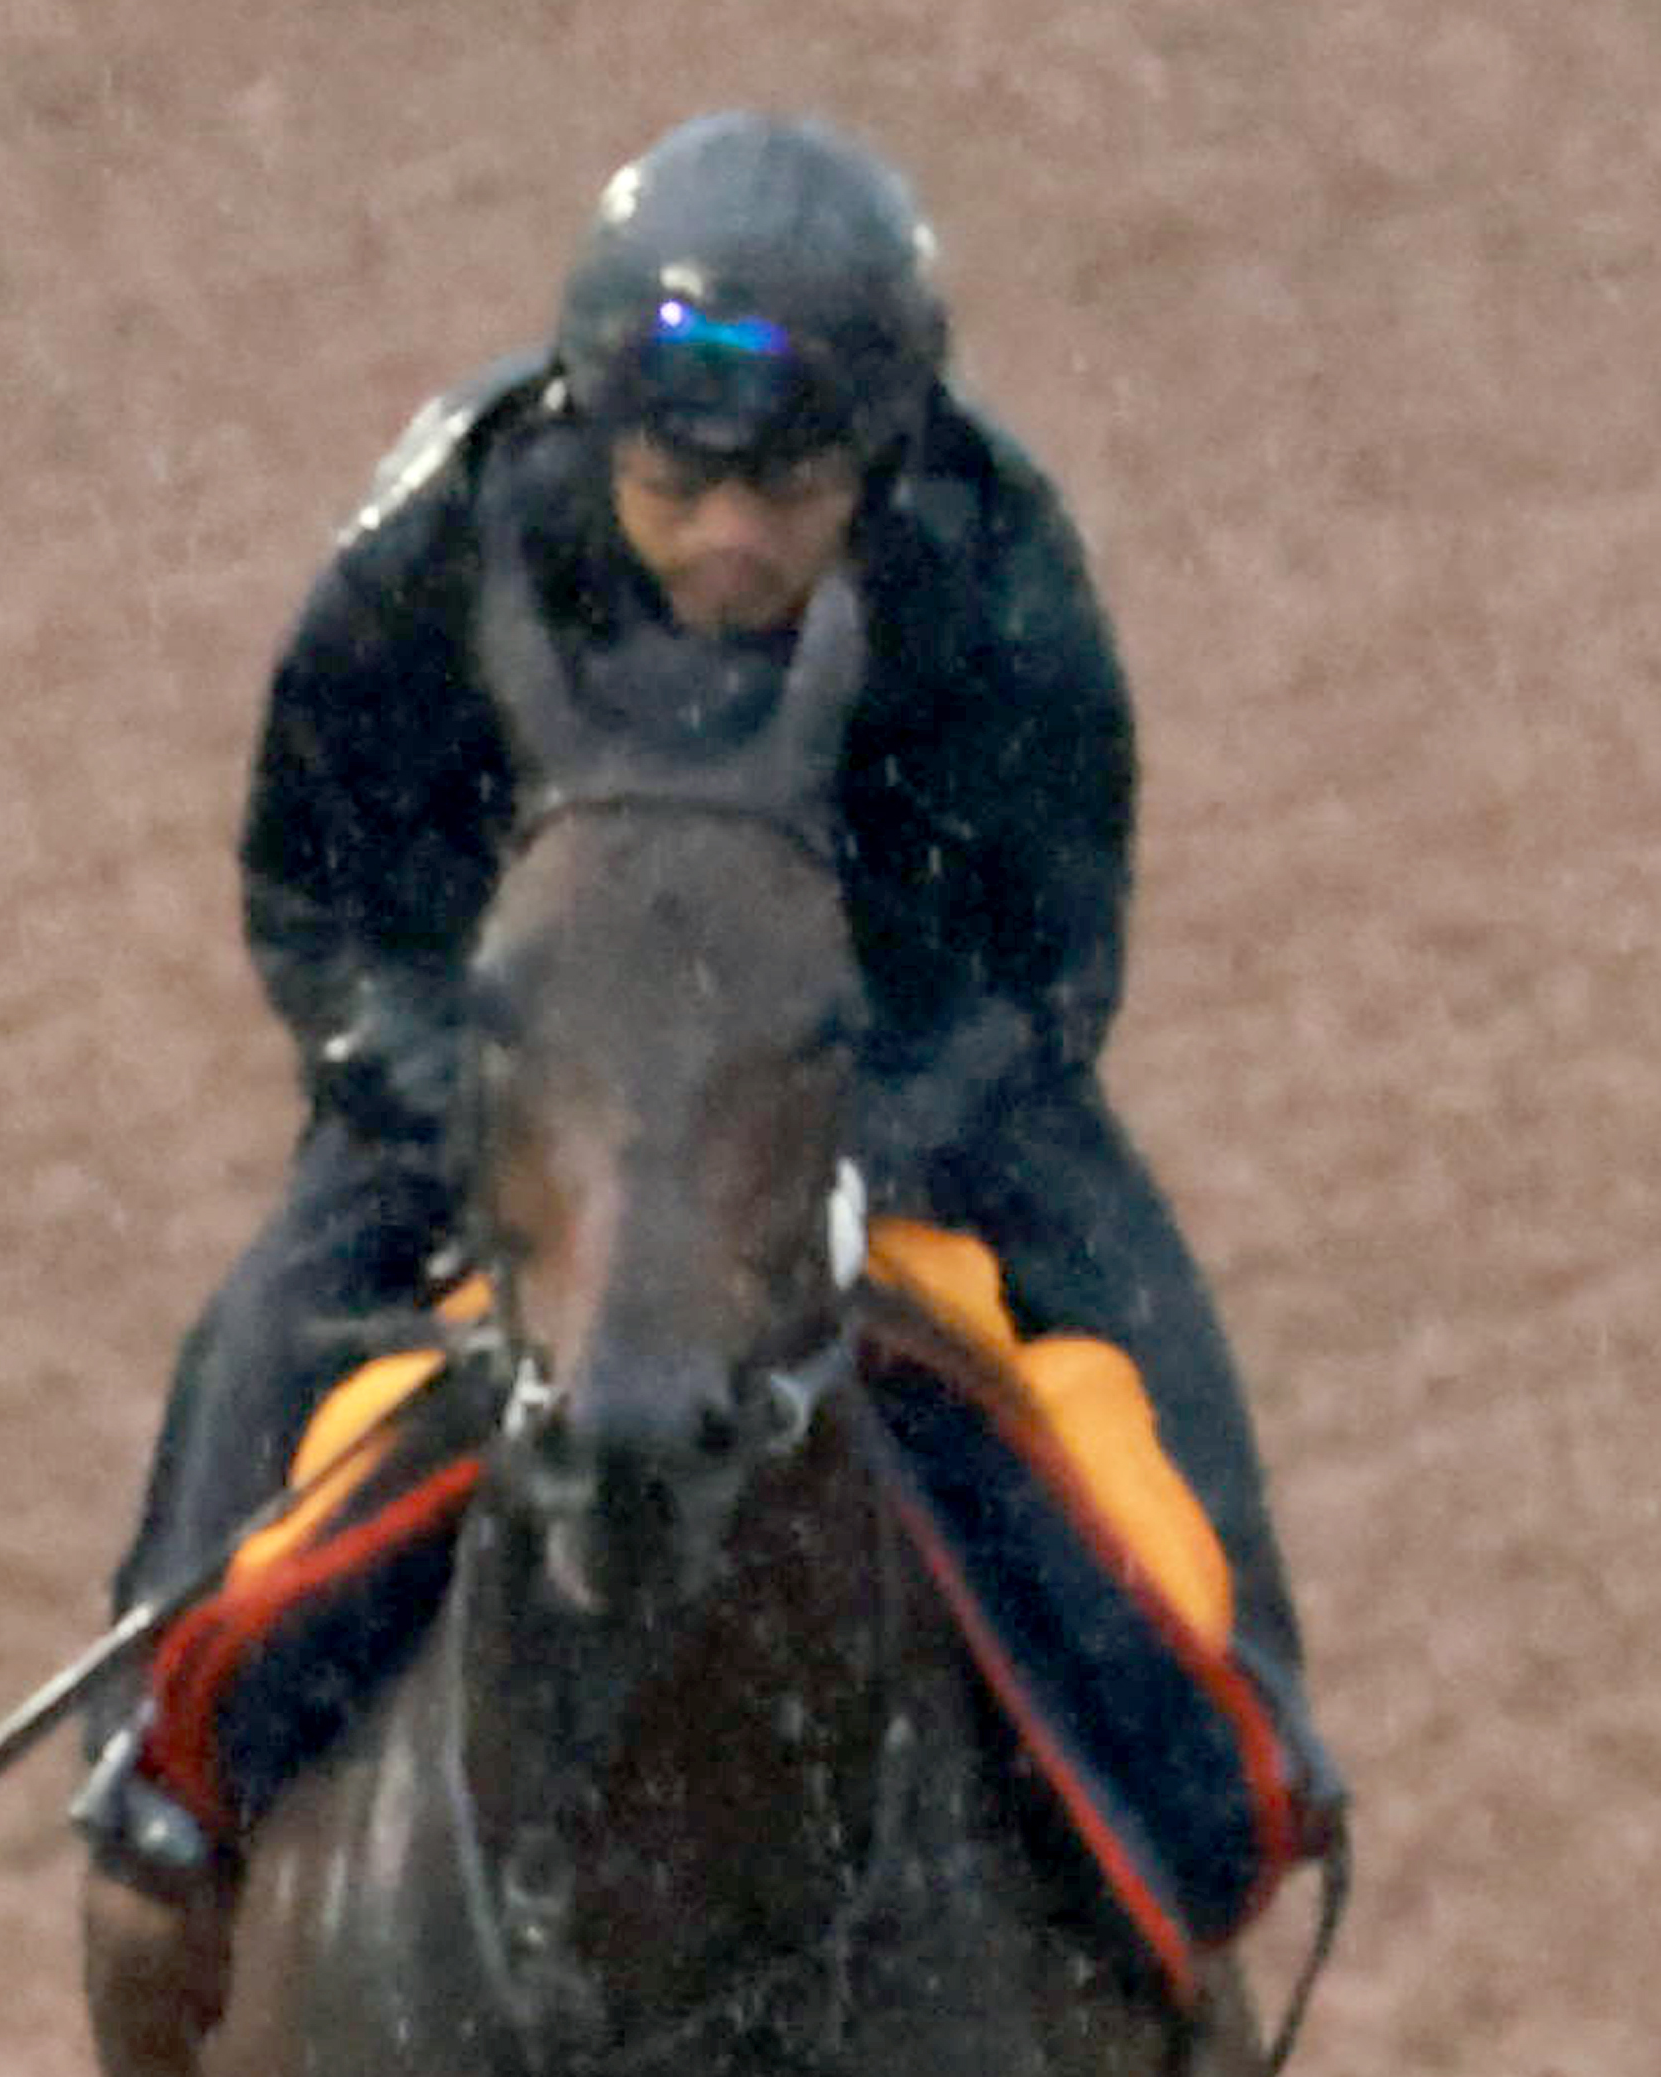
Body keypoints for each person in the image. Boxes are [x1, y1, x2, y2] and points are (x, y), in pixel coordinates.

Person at [76, 106, 1331, 1889]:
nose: (731, 538)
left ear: (882, 464)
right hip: (521, 1070)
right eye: (678, 486)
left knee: (1136, 1302)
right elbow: (318, 893)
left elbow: (1051, 960)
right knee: (278, 1311)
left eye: (790, 493)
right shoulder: (430, 550)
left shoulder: (996, 575)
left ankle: (1247, 1724)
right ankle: (161, 1734)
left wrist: (873, 1137)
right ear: (601, 435)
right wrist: (467, 1100)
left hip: (880, 1072)